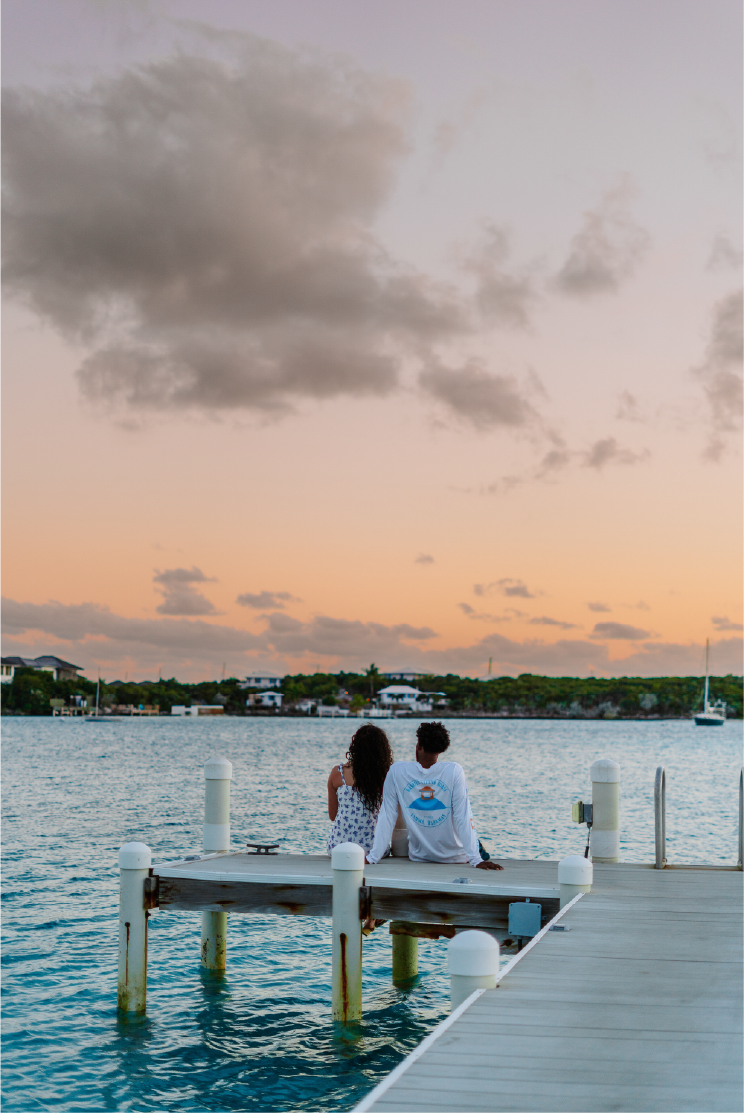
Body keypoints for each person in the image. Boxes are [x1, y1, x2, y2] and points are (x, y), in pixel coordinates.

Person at [367, 720, 503, 870]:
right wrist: (476, 859)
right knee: (478, 845)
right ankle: (481, 854)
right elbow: (462, 817)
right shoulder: (454, 770)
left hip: (420, 856)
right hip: (457, 857)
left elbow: (387, 815)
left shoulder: (397, 771)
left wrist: (373, 857)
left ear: (418, 745)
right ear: (441, 750)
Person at [327, 723, 394, 856]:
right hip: (373, 850)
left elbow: (333, 815)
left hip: (338, 848)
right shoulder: (386, 776)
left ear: (355, 747)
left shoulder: (338, 773)